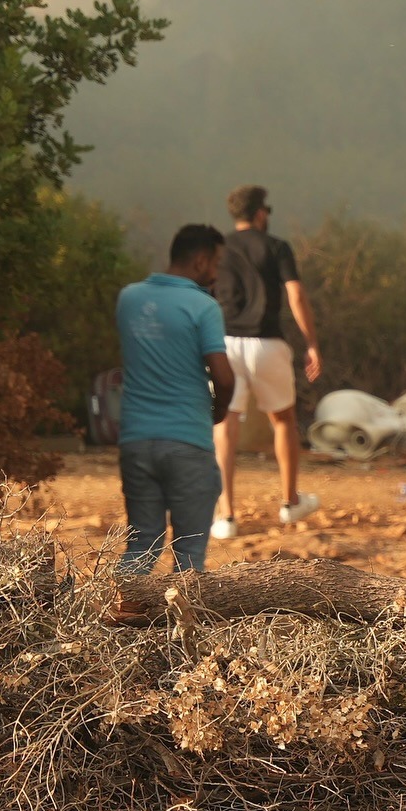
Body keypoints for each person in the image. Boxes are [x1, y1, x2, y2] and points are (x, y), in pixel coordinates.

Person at [115, 224, 235, 573]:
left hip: (135, 440)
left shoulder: (129, 298)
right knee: (190, 552)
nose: (216, 272)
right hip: (187, 442)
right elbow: (224, 377)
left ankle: (114, 616)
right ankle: (181, 626)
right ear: (200, 261)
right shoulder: (204, 307)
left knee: (141, 543)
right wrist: (218, 412)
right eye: (215, 263)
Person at [210, 185, 322, 538]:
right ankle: (290, 504)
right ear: (260, 213)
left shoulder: (217, 250)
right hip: (267, 343)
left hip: (224, 344)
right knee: (283, 420)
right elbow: (296, 294)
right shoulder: (276, 247)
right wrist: (312, 343)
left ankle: (226, 517)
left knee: (225, 424)